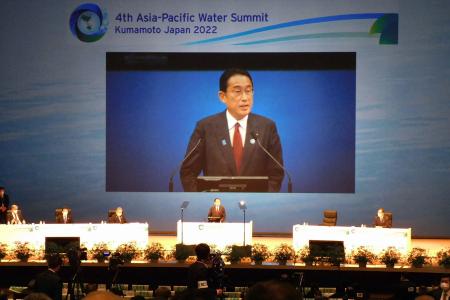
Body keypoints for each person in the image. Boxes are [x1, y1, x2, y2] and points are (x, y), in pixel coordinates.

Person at [180, 68, 285, 192]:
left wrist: (263, 203)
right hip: (217, 206)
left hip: (256, 206)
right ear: (222, 96)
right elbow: (188, 172)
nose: (245, 98)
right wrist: (201, 203)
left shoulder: (267, 127)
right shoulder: (205, 127)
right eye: (237, 91)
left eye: (248, 91)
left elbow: (276, 174)